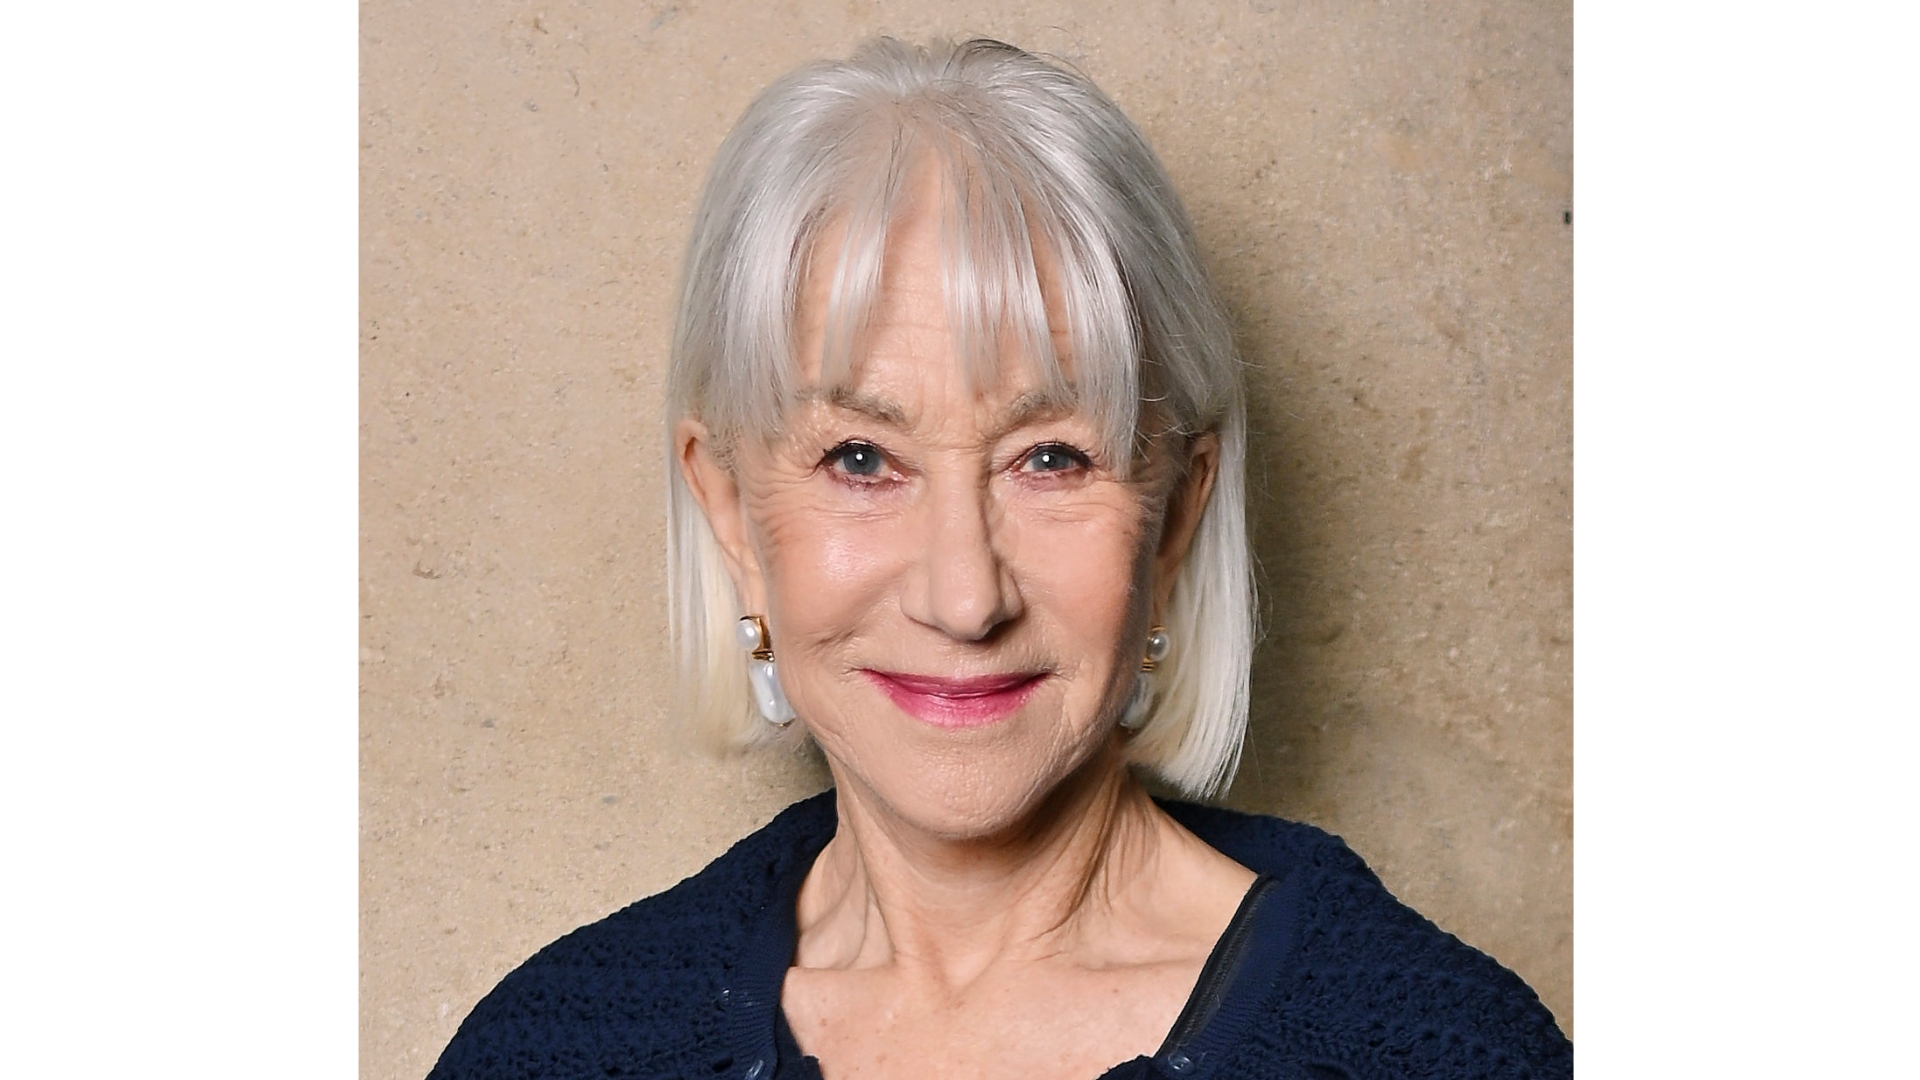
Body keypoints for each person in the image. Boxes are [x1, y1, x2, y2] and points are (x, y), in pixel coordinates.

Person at [427, 37, 1571, 1080]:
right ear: (730, 510)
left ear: (1175, 515)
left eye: (1052, 459)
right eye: (863, 457)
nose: (964, 596)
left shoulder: (1443, 1054)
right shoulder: (552, 1049)